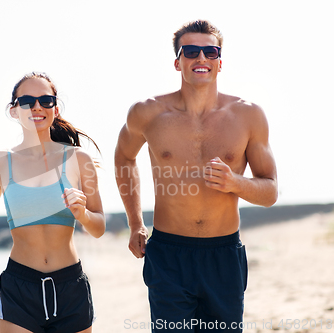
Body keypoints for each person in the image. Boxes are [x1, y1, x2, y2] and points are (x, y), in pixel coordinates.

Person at [115, 20, 278, 332]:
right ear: (178, 62)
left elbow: (270, 191)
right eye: (190, 51)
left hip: (223, 255)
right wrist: (135, 223)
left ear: (220, 62)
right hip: (168, 255)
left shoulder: (248, 115)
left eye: (209, 51)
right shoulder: (147, 113)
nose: (200, 58)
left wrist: (235, 182)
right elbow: (124, 156)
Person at [0, 72, 105, 333]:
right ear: (14, 111)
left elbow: (99, 227)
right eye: (26, 101)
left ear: (55, 109)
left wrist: (82, 214)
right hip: (19, 287)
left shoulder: (79, 160)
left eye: (45, 100)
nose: (36, 107)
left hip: (70, 286)